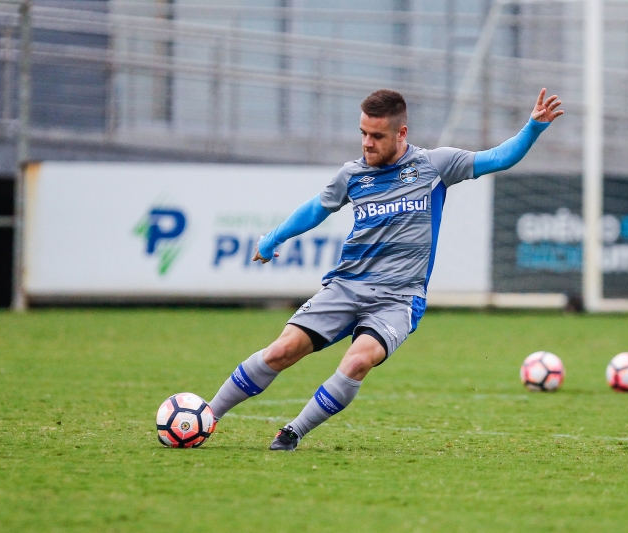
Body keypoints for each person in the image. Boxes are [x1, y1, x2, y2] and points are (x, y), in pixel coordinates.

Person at [206, 88, 563, 450]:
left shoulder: (435, 165)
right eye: (363, 133)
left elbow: (498, 158)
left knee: (358, 359)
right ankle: (206, 417)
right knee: (281, 351)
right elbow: (316, 208)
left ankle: (293, 432)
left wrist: (533, 127)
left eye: (377, 136)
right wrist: (271, 240)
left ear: (401, 133)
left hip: (398, 299)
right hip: (346, 287)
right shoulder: (353, 174)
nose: (367, 144)